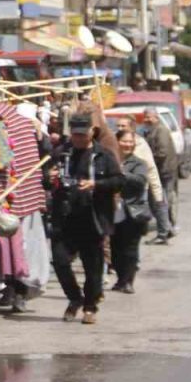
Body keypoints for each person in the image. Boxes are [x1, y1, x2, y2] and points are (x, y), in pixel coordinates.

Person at [49, 114, 124, 325]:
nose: (79, 139)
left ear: (92, 132)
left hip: (92, 219)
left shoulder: (103, 155)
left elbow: (119, 181)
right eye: (75, 135)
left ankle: (90, 306)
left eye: (82, 135)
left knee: (93, 268)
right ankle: (75, 298)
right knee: (60, 261)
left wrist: (95, 184)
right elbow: (46, 182)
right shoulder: (62, 153)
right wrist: (50, 178)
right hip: (64, 219)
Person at [111, 129, 153, 295]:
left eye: (130, 142)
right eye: (124, 141)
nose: (127, 145)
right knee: (115, 247)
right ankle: (121, 279)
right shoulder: (110, 160)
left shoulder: (138, 163)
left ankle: (128, 281)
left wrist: (123, 173)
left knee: (130, 248)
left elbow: (140, 181)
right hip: (113, 210)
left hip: (133, 211)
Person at [113, 114, 165, 240]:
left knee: (133, 233)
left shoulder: (141, 145)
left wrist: (158, 195)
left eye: (123, 126)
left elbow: (151, 171)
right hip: (116, 199)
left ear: (131, 128)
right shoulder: (112, 144)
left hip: (136, 195)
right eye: (118, 126)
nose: (120, 128)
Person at [141, 107, 177, 244]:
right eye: (145, 117)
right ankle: (167, 229)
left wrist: (145, 161)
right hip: (159, 171)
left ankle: (163, 233)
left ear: (156, 117)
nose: (146, 120)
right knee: (158, 201)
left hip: (163, 171)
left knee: (158, 201)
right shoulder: (151, 130)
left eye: (149, 117)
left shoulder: (160, 130)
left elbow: (162, 153)